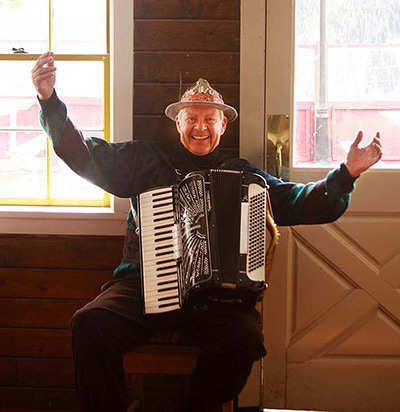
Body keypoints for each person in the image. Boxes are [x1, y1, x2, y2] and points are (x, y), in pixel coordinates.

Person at [31, 52, 382, 412]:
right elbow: (82, 154)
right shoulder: (143, 161)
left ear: (222, 126)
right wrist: (49, 100)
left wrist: (346, 174)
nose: (200, 127)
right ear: (178, 123)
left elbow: (300, 202)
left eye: (209, 119)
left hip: (216, 299)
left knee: (245, 339)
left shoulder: (245, 176)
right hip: (142, 285)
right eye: (192, 118)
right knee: (89, 323)